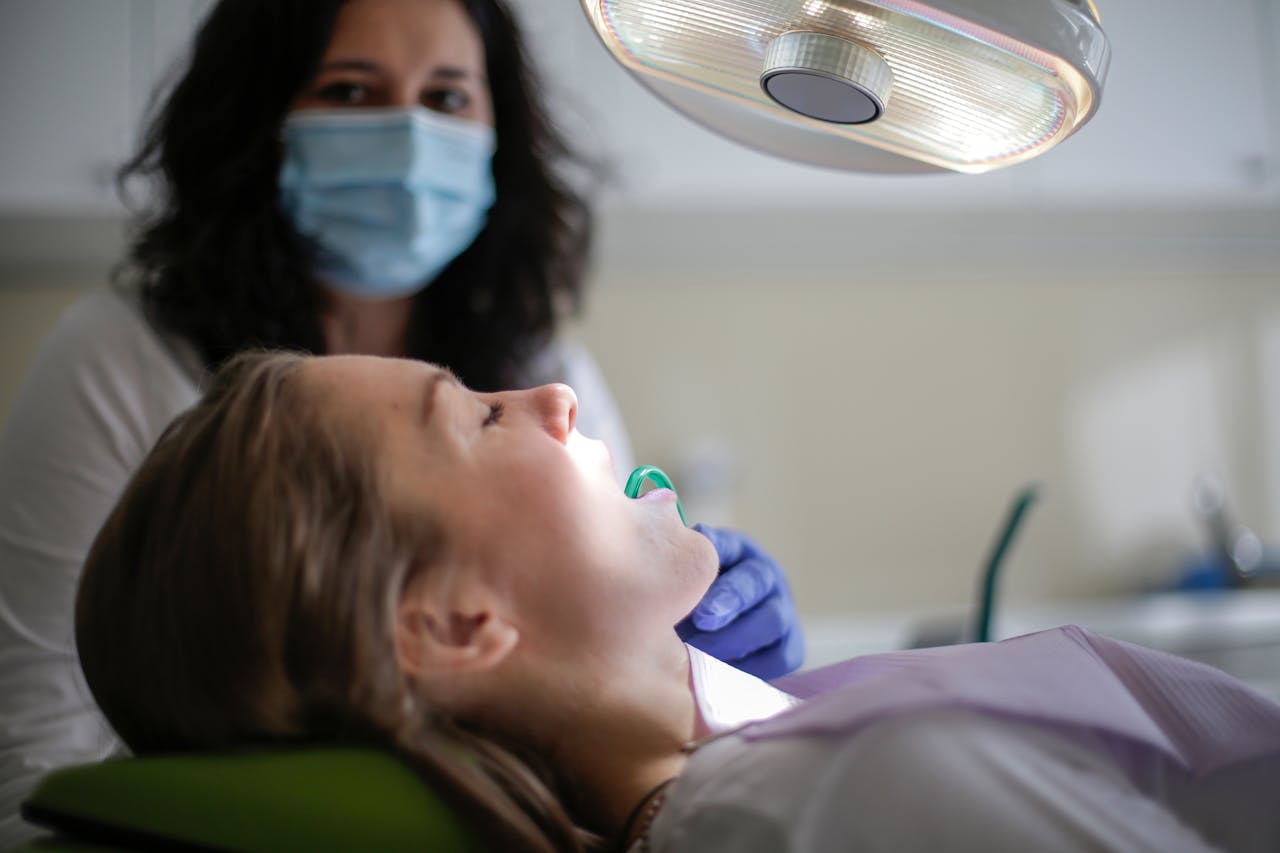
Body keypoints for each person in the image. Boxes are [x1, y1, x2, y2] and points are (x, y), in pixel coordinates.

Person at [0, 0, 802, 844]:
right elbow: (36, 762)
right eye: (350, 92)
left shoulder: (544, 365)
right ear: (256, 120)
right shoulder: (117, 360)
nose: (409, 135)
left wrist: (700, 663)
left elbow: (596, 639)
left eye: (448, 97)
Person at [70, 351, 1280, 852]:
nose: (548, 393)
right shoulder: (847, 794)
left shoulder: (791, 759)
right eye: (479, 417)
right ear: (450, 624)